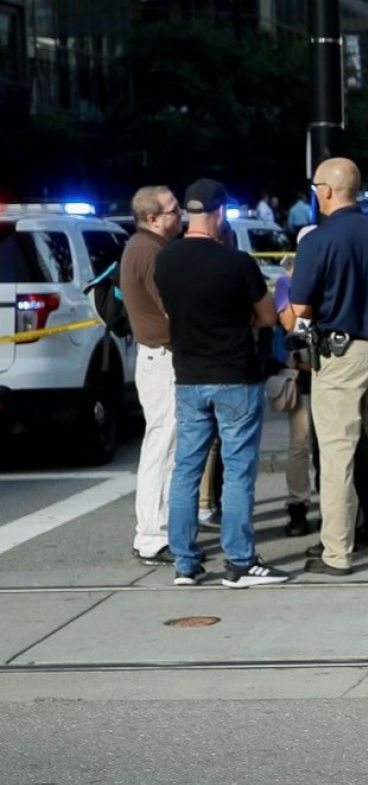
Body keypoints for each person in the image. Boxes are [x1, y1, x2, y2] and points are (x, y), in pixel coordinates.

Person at [153, 178, 289, 587]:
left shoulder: (166, 260)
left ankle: (185, 562)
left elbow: (169, 308)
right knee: (237, 471)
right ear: (219, 214)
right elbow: (267, 317)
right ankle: (240, 562)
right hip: (234, 376)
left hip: (189, 376)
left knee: (186, 470)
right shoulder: (238, 263)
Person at [290, 157, 368, 576]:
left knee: (338, 453)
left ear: (326, 190)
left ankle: (337, 552)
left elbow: (301, 306)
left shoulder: (317, 240)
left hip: (340, 355)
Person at [124, 184, 183, 567]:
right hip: (162, 359)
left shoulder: (141, 247)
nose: (180, 214)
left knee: (163, 444)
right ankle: (152, 535)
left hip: (156, 357)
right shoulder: (151, 253)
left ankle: (159, 529)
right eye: (173, 209)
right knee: (163, 446)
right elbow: (173, 309)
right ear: (152, 218)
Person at [271, 242, 316, 537]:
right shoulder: (287, 283)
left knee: (335, 443)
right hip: (302, 367)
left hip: (335, 366)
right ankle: (298, 507)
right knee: (300, 443)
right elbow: (289, 323)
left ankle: (341, 505)